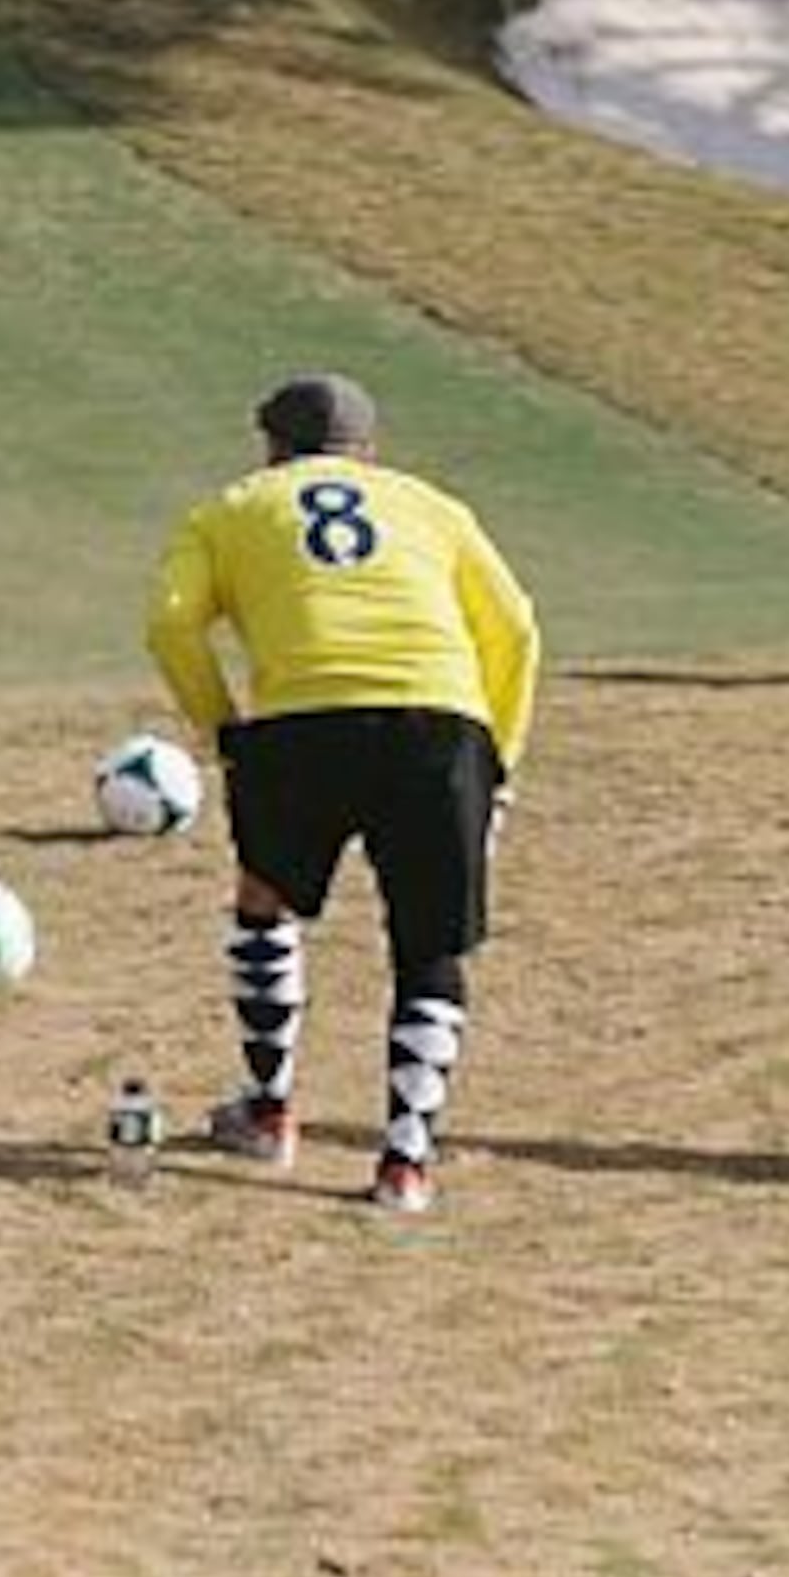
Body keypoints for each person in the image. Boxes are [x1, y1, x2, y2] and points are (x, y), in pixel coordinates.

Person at [143, 372, 541, 1215]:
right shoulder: (432, 507)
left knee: (266, 900)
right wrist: (496, 763)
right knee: (431, 943)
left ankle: (269, 1110)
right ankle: (405, 1163)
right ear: (369, 451)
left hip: (302, 724)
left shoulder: (232, 507)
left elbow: (171, 622)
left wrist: (224, 730)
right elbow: (515, 631)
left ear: (272, 447)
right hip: (440, 724)